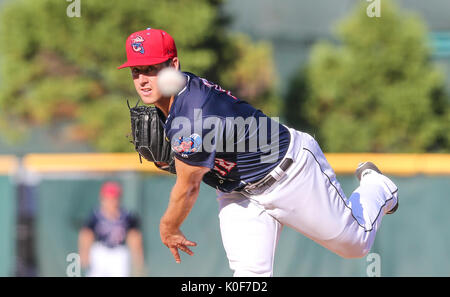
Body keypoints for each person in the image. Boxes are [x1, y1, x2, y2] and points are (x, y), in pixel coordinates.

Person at [117, 28, 399, 276]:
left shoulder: (191, 113)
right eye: (136, 71)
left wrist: (168, 226)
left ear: (173, 65)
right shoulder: (173, 99)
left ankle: (378, 185)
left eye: (152, 68)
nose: (142, 79)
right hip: (238, 190)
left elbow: (188, 189)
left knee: (355, 244)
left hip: (290, 173)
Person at [78, 181, 145, 277]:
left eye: (114, 199)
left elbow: (134, 237)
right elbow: (86, 234)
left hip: (119, 253)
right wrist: (84, 252)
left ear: (119, 199)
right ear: (102, 199)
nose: (111, 202)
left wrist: (138, 258)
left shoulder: (127, 216)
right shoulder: (95, 215)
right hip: (100, 251)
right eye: (108, 199)